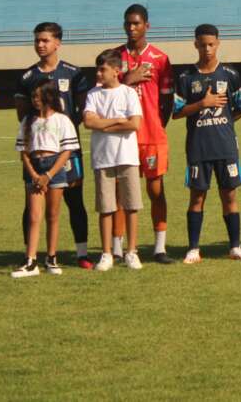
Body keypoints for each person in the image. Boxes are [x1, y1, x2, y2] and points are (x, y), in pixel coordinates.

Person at [14, 22, 94, 269]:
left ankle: (82, 253)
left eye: (45, 40)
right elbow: (22, 114)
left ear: (58, 42)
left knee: (74, 200)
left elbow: (82, 108)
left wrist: (63, 131)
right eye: (37, 40)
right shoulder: (27, 77)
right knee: (32, 204)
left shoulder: (73, 73)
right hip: (38, 152)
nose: (40, 44)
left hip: (68, 150)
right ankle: (31, 255)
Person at [173, 24, 241, 264]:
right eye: (202, 45)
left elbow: (240, 108)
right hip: (198, 147)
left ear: (218, 44)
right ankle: (193, 249)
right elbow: (176, 112)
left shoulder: (230, 74)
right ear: (195, 45)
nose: (207, 49)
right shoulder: (186, 77)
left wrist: (222, 123)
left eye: (211, 44)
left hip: (225, 146)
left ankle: (235, 247)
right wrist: (202, 104)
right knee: (197, 197)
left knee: (230, 196)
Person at [117, 4, 175, 264]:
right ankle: (117, 249)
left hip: (151, 136)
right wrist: (127, 79)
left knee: (155, 191)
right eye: (128, 23)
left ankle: (159, 248)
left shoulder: (160, 58)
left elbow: (167, 99)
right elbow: (104, 92)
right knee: (121, 194)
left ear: (146, 26)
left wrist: (157, 125)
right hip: (122, 137)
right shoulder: (114, 57)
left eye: (136, 23)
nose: (132, 28)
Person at [82, 49, 144, 271]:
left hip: (127, 156)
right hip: (103, 158)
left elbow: (134, 124)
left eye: (103, 69)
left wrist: (104, 123)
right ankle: (107, 253)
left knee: (131, 205)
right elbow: (89, 122)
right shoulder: (93, 94)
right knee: (105, 207)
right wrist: (117, 120)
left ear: (117, 70)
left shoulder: (128, 93)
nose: (98, 73)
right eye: (97, 69)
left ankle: (131, 251)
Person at [12, 80, 80, 277]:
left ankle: (51, 258)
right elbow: (24, 152)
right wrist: (34, 175)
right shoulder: (28, 121)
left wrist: (49, 175)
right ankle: (31, 261)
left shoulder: (62, 120)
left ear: (49, 96)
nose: (35, 100)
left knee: (52, 215)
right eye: (33, 96)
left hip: (55, 168)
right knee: (34, 216)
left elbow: (67, 151)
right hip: (34, 168)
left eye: (39, 96)